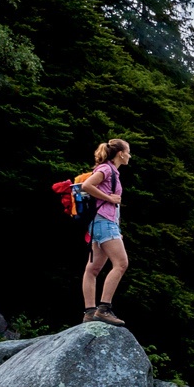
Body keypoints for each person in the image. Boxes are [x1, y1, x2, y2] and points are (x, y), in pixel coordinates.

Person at [79, 139, 131, 326]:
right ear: (120, 154)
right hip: (103, 222)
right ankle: (104, 309)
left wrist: (116, 227)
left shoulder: (111, 171)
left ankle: (89, 312)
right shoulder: (107, 170)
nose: (130, 156)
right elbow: (87, 186)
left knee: (92, 269)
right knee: (121, 263)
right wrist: (109, 197)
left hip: (100, 223)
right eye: (128, 152)